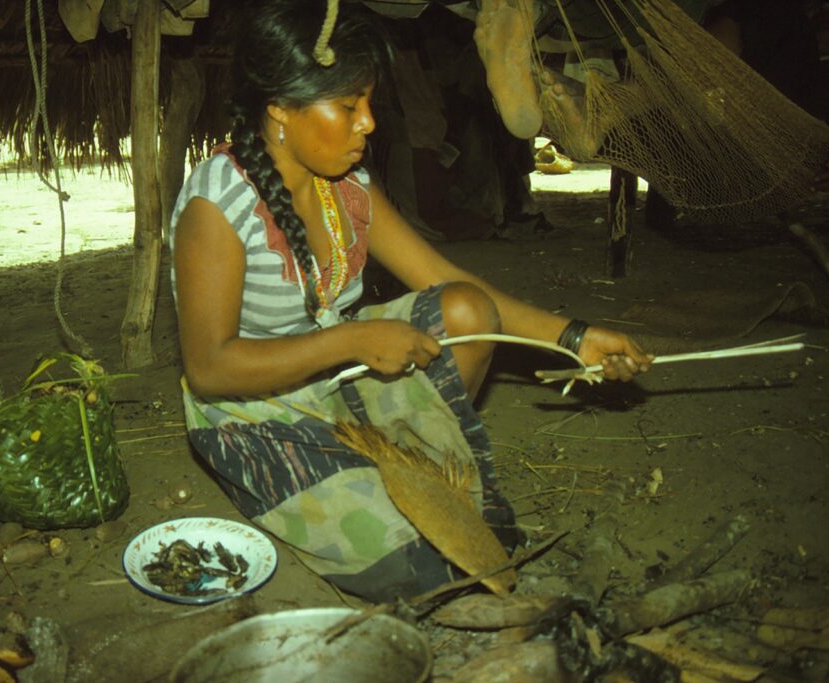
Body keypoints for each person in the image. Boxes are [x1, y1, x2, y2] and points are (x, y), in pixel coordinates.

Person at [169, 0, 652, 603]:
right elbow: (210, 368)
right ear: (279, 110)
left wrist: (575, 338)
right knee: (426, 566)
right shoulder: (216, 207)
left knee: (466, 310)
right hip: (253, 412)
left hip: (332, 375)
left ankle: (395, 467)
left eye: (367, 102)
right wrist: (348, 340)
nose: (368, 122)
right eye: (347, 106)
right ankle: (354, 482)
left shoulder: (345, 186)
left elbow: (445, 278)